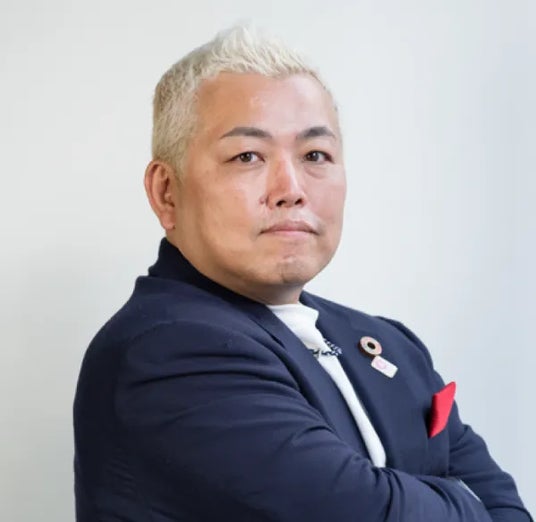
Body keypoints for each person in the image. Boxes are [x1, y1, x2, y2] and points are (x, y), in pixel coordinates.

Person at [73, 25, 532, 521]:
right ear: (167, 192)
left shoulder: (389, 344)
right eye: (247, 156)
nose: (290, 189)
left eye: (315, 155)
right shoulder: (167, 351)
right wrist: (467, 504)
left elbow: (509, 510)